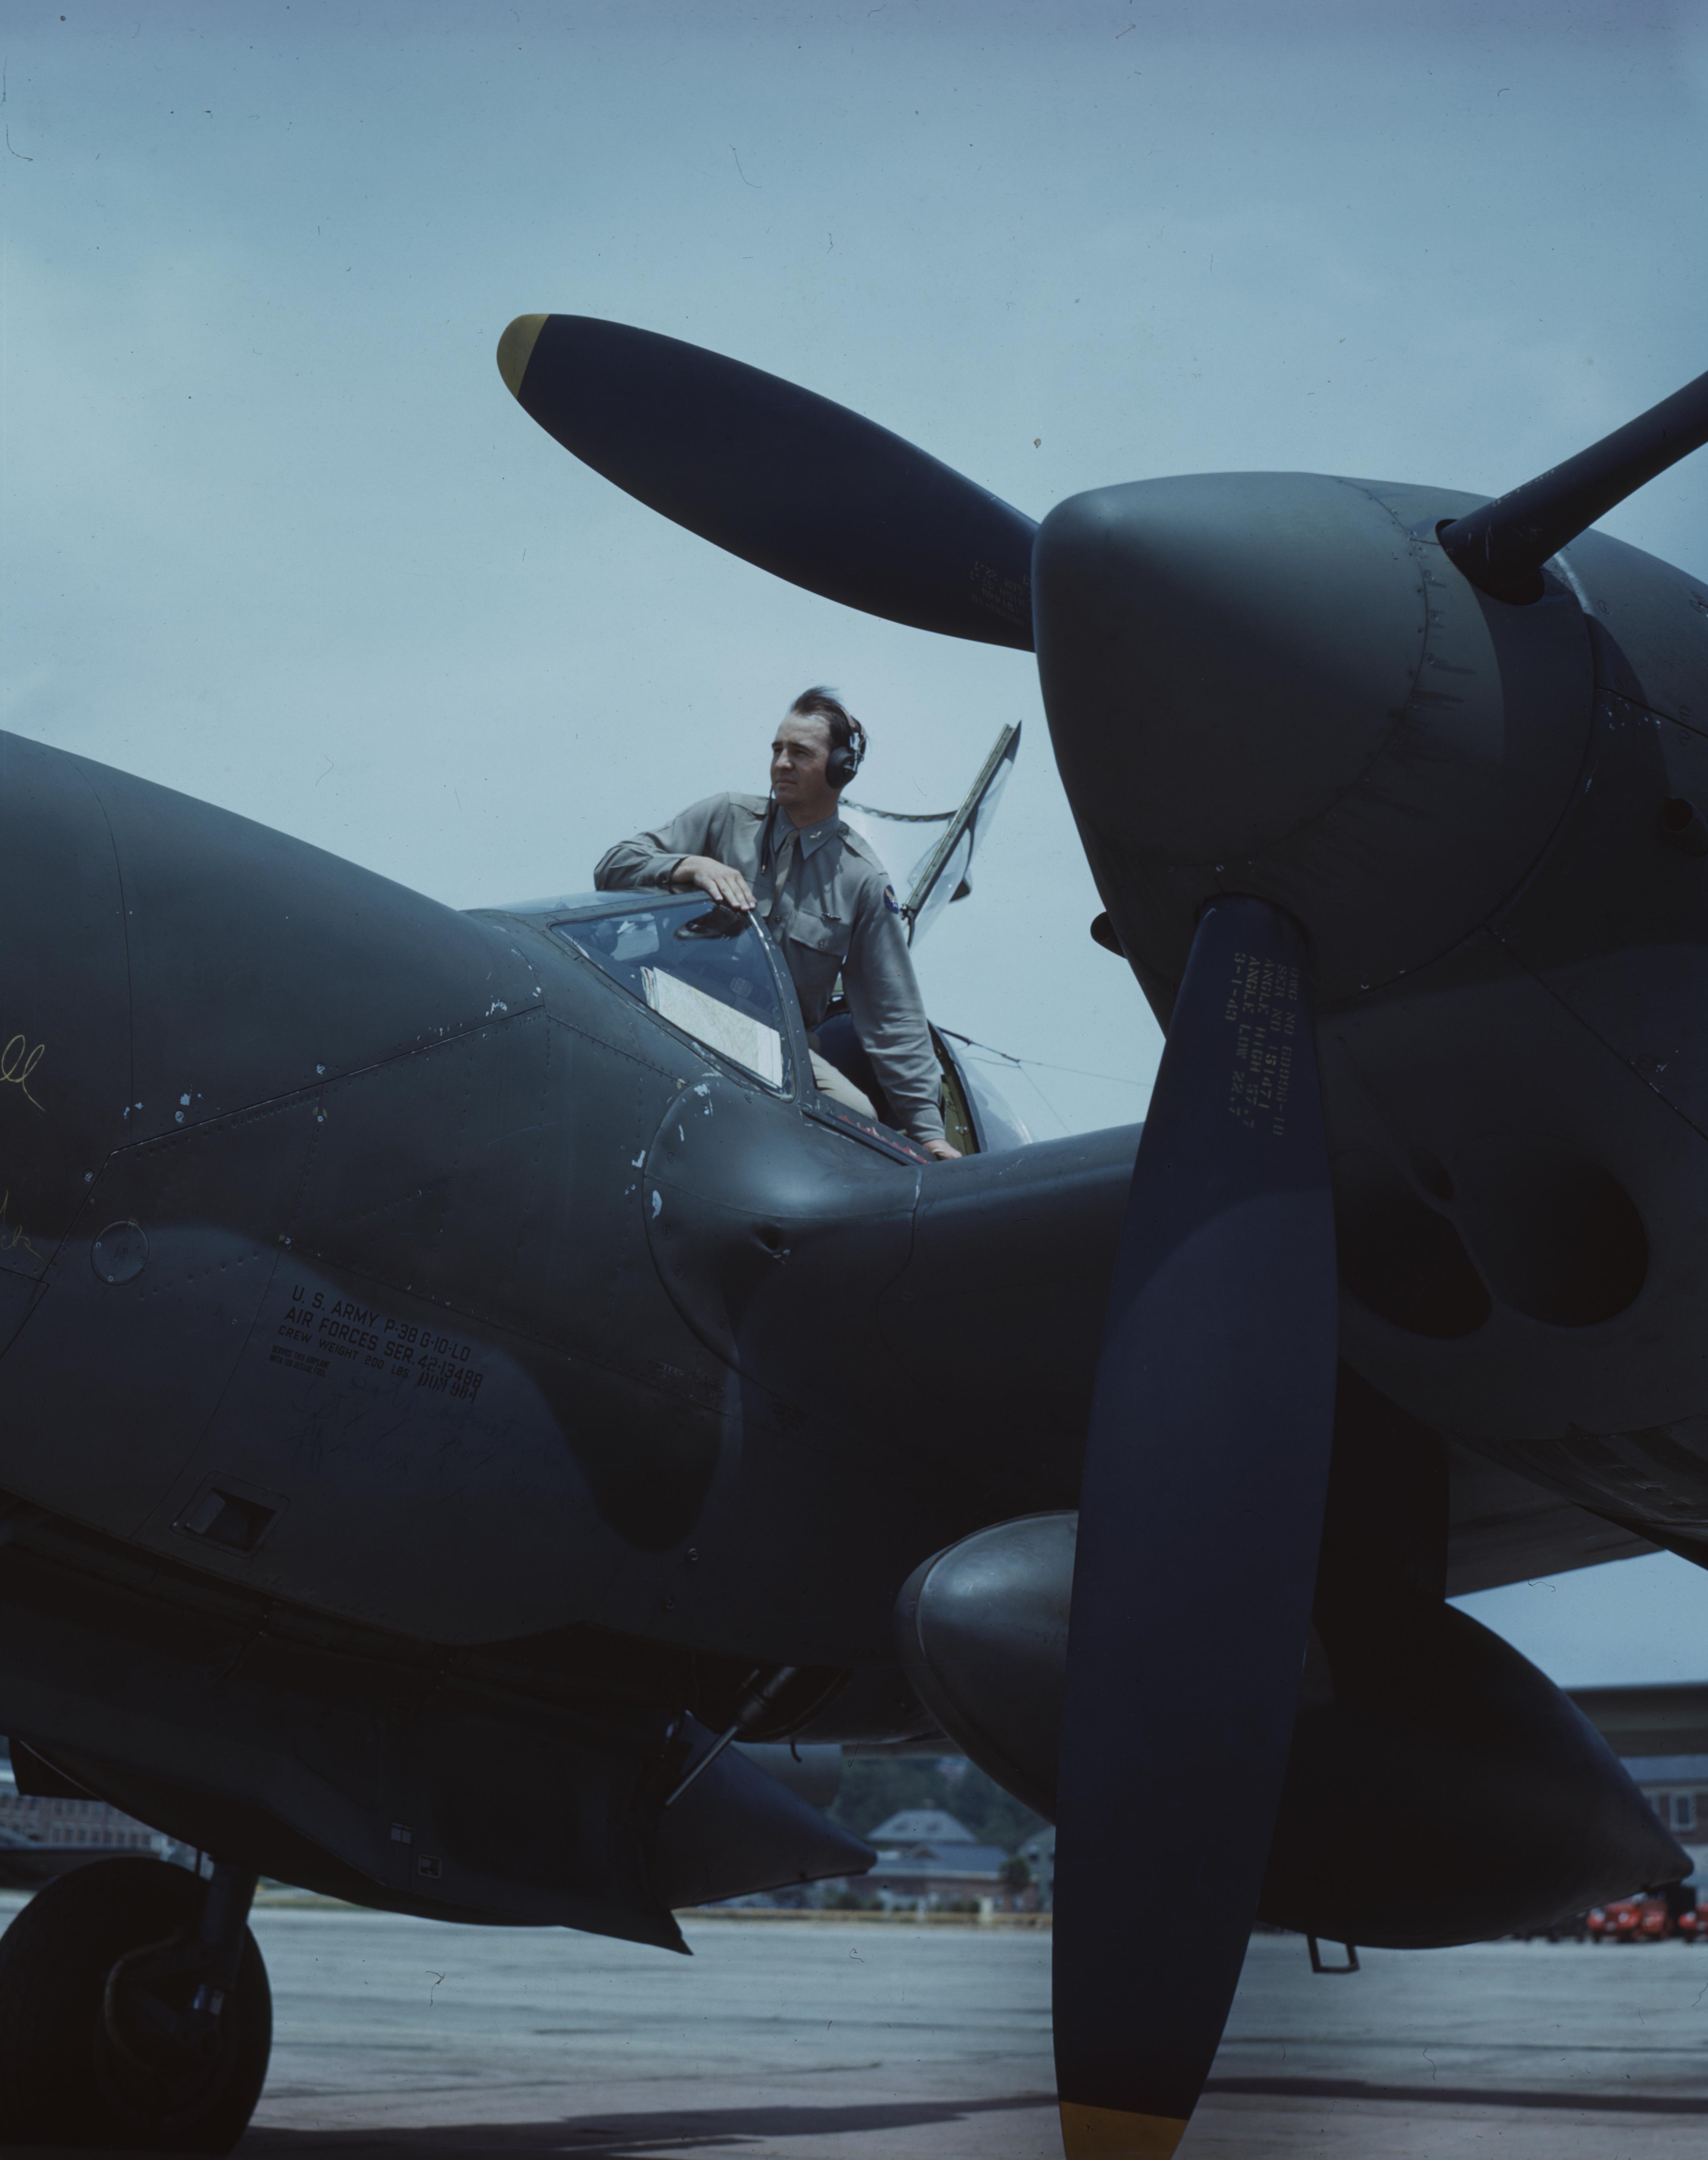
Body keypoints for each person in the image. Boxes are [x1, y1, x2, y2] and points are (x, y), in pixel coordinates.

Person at [593, 688, 962, 1159]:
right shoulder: (724, 817)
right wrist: (692, 866)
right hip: (681, 1010)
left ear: (840, 768)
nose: (781, 763)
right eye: (776, 750)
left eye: (800, 753)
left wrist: (929, 1132)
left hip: (777, 1050)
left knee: (858, 1122)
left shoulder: (861, 879)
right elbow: (615, 864)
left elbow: (892, 1013)